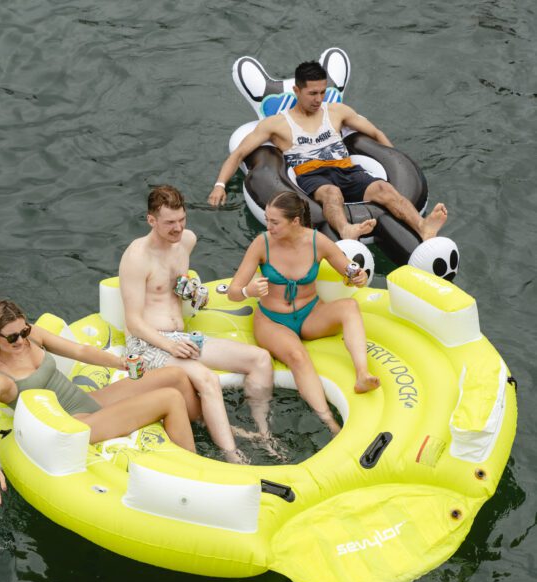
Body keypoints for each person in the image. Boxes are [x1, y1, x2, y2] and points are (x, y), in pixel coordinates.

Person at [0, 299, 199, 508]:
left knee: (175, 376)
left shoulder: (32, 336)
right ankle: (197, 474)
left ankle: (202, 426)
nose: (21, 340)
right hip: (79, 423)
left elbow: (80, 351)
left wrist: (120, 363)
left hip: (87, 401)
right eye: (13, 337)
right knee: (170, 398)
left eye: (23, 331)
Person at [208, 60, 448, 241]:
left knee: (384, 188)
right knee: (332, 194)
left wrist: (395, 160)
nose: (318, 98)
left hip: (347, 170)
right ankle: (346, 231)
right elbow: (238, 154)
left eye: (322, 92)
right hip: (312, 176)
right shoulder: (277, 124)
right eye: (312, 93)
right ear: (297, 91)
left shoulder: (336, 111)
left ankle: (423, 226)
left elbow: (375, 133)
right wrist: (220, 186)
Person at [119, 185, 274, 463]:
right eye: (169, 223)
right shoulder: (136, 257)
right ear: (151, 220)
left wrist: (192, 292)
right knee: (207, 379)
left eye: (181, 220)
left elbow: (181, 289)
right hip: (148, 343)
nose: (177, 229)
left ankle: (264, 431)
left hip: (180, 336)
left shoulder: (187, 240)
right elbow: (133, 320)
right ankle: (233, 457)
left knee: (260, 359)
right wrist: (169, 345)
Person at [227, 191, 380, 435]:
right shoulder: (262, 243)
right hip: (273, 320)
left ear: (295, 221)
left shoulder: (317, 242)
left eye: (274, 222)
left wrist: (358, 276)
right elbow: (233, 292)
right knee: (298, 356)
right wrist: (248, 290)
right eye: (267, 219)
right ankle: (329, 422)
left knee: (350, 307)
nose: (268, 226)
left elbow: (349, 270)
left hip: (310, 314)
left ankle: (362, 373)